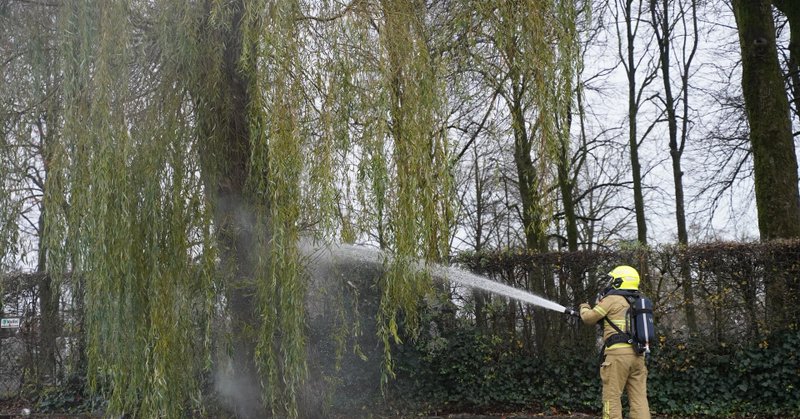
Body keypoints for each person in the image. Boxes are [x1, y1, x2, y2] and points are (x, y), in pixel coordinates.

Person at [579, 265, 651, 419]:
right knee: (639, 399)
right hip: (638, 356)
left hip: (617, 356)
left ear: (619, 281)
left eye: (613, 279)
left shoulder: (611, 299)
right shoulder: (640, 301)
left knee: (611, 397)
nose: (610, 283)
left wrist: (584, 307)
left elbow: (588, 318)